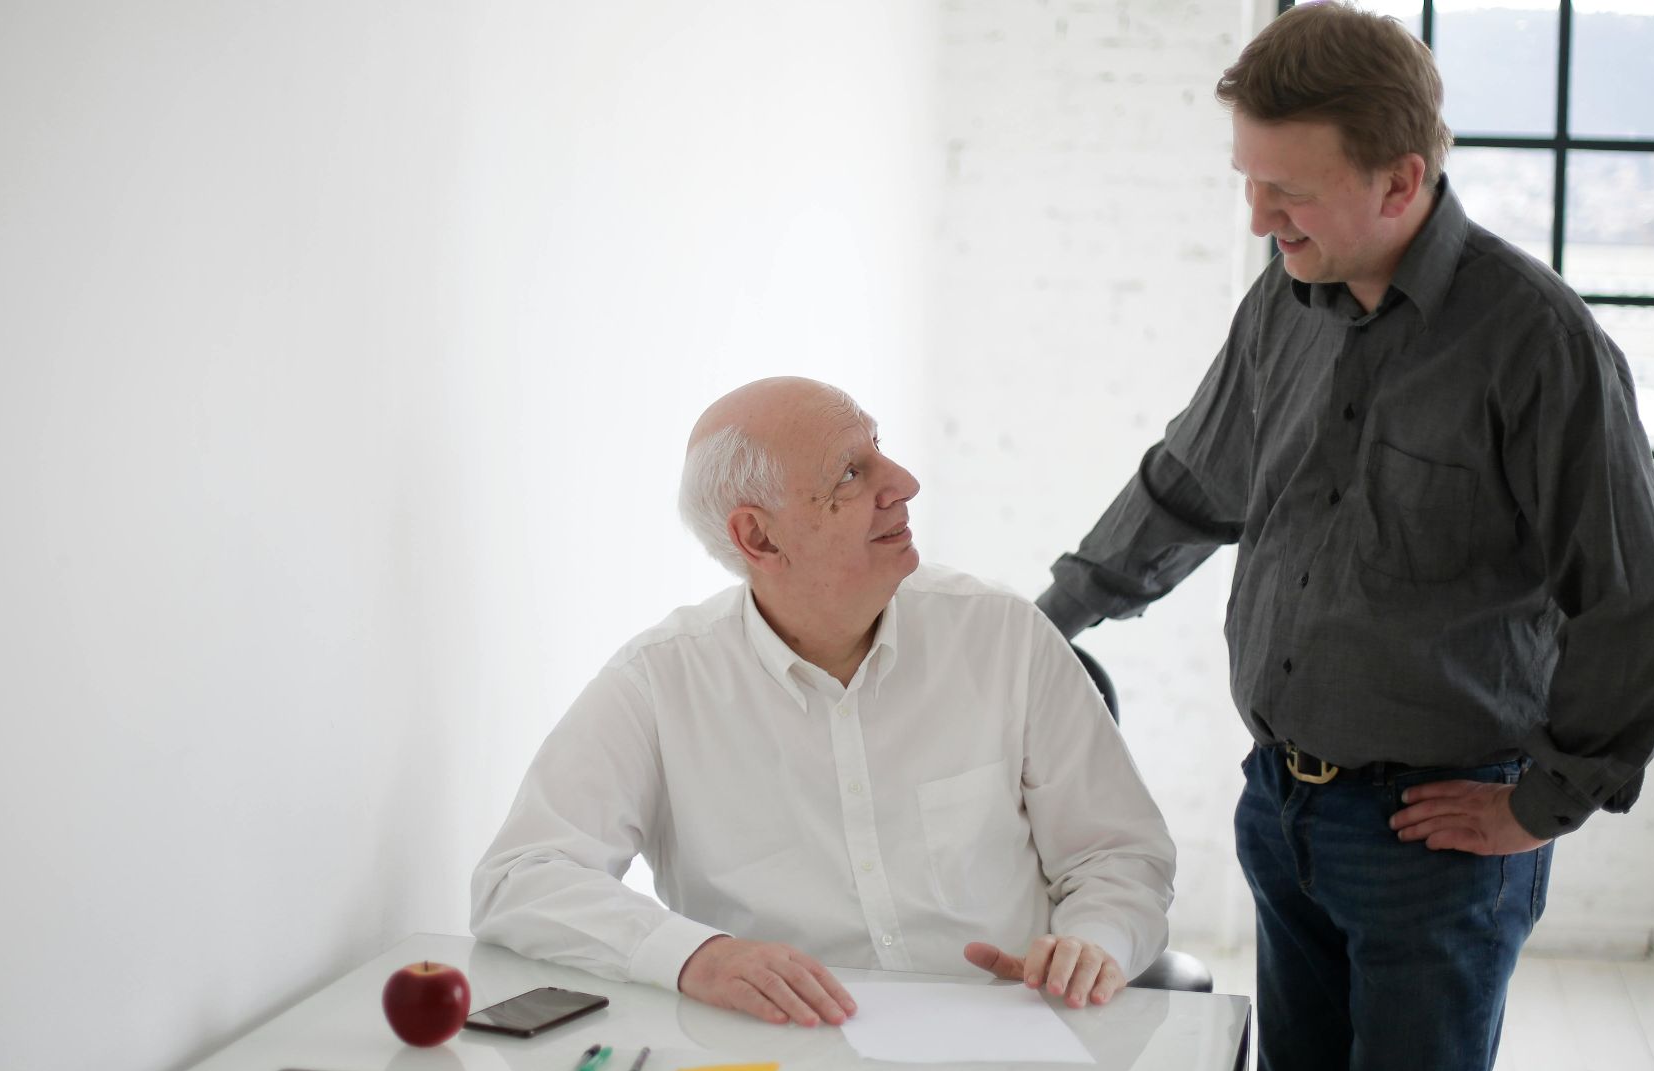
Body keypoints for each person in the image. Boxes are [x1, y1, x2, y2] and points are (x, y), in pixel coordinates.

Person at [1036, 4, 1654, 1071]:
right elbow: (1196, 480)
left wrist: (1545, 802)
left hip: (1432, 845)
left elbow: (1635, 605)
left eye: (1286, 191)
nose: (1257, 217)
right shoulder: (1284, 300)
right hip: (1280, 807)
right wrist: (1044, 622)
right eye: (1248, 179)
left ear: (1400, 182)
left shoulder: (1539, 344)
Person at [473, 376, 1176, 1027]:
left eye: (877, 449)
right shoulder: (660, 683)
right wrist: (696, 958)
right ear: (758, 535)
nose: (903, 482)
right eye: (850, 473)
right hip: (783, 1047)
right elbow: (520, 879)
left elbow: (1120, 855)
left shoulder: (1003, 636)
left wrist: (1092, 941)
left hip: (1012, 1031)